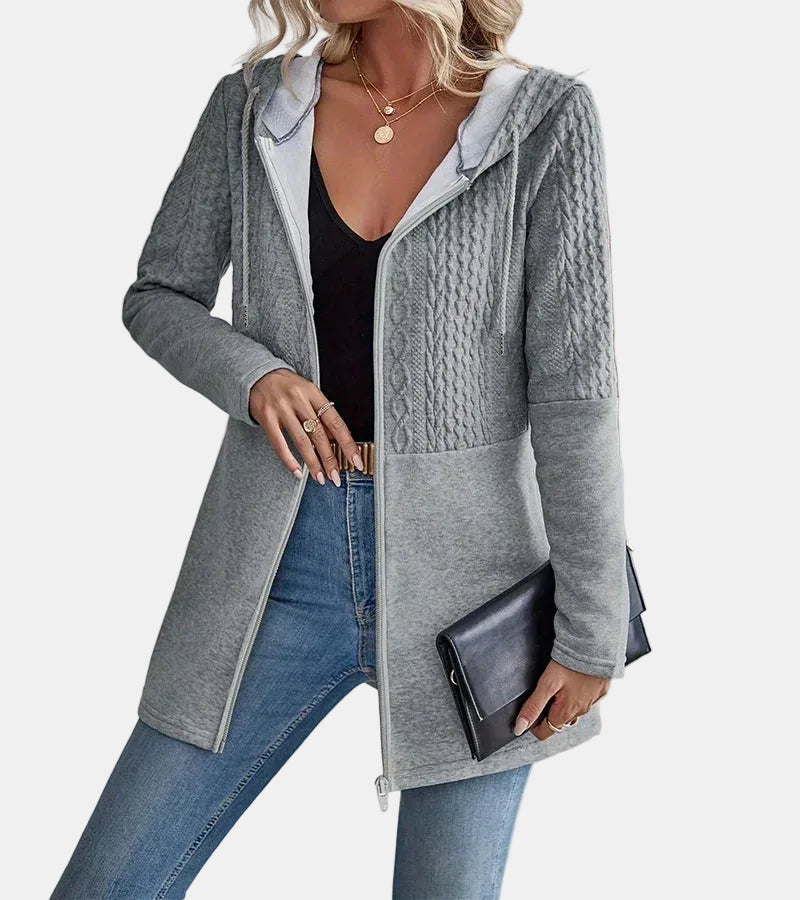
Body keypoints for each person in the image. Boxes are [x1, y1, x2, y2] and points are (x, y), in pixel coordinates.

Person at [51, 0, 629, 896]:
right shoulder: (255, 107)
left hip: (473, 591)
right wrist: (252, 375)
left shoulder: (542, 121)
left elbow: (575, 394)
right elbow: (158, 292)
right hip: (275, 561)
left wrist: (592, 632)